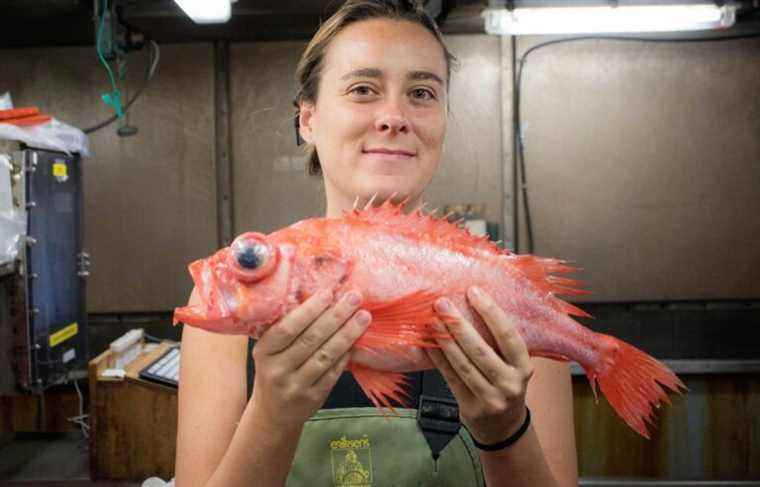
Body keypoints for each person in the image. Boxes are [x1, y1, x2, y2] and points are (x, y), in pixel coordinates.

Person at [174, 1, 578, 486]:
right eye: (363, 89)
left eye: (422, 92)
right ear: (308, 119)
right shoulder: (231, 310)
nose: (394, 116)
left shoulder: (511, 300)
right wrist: (271, 416)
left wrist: (506, 430)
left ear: (442, 121)